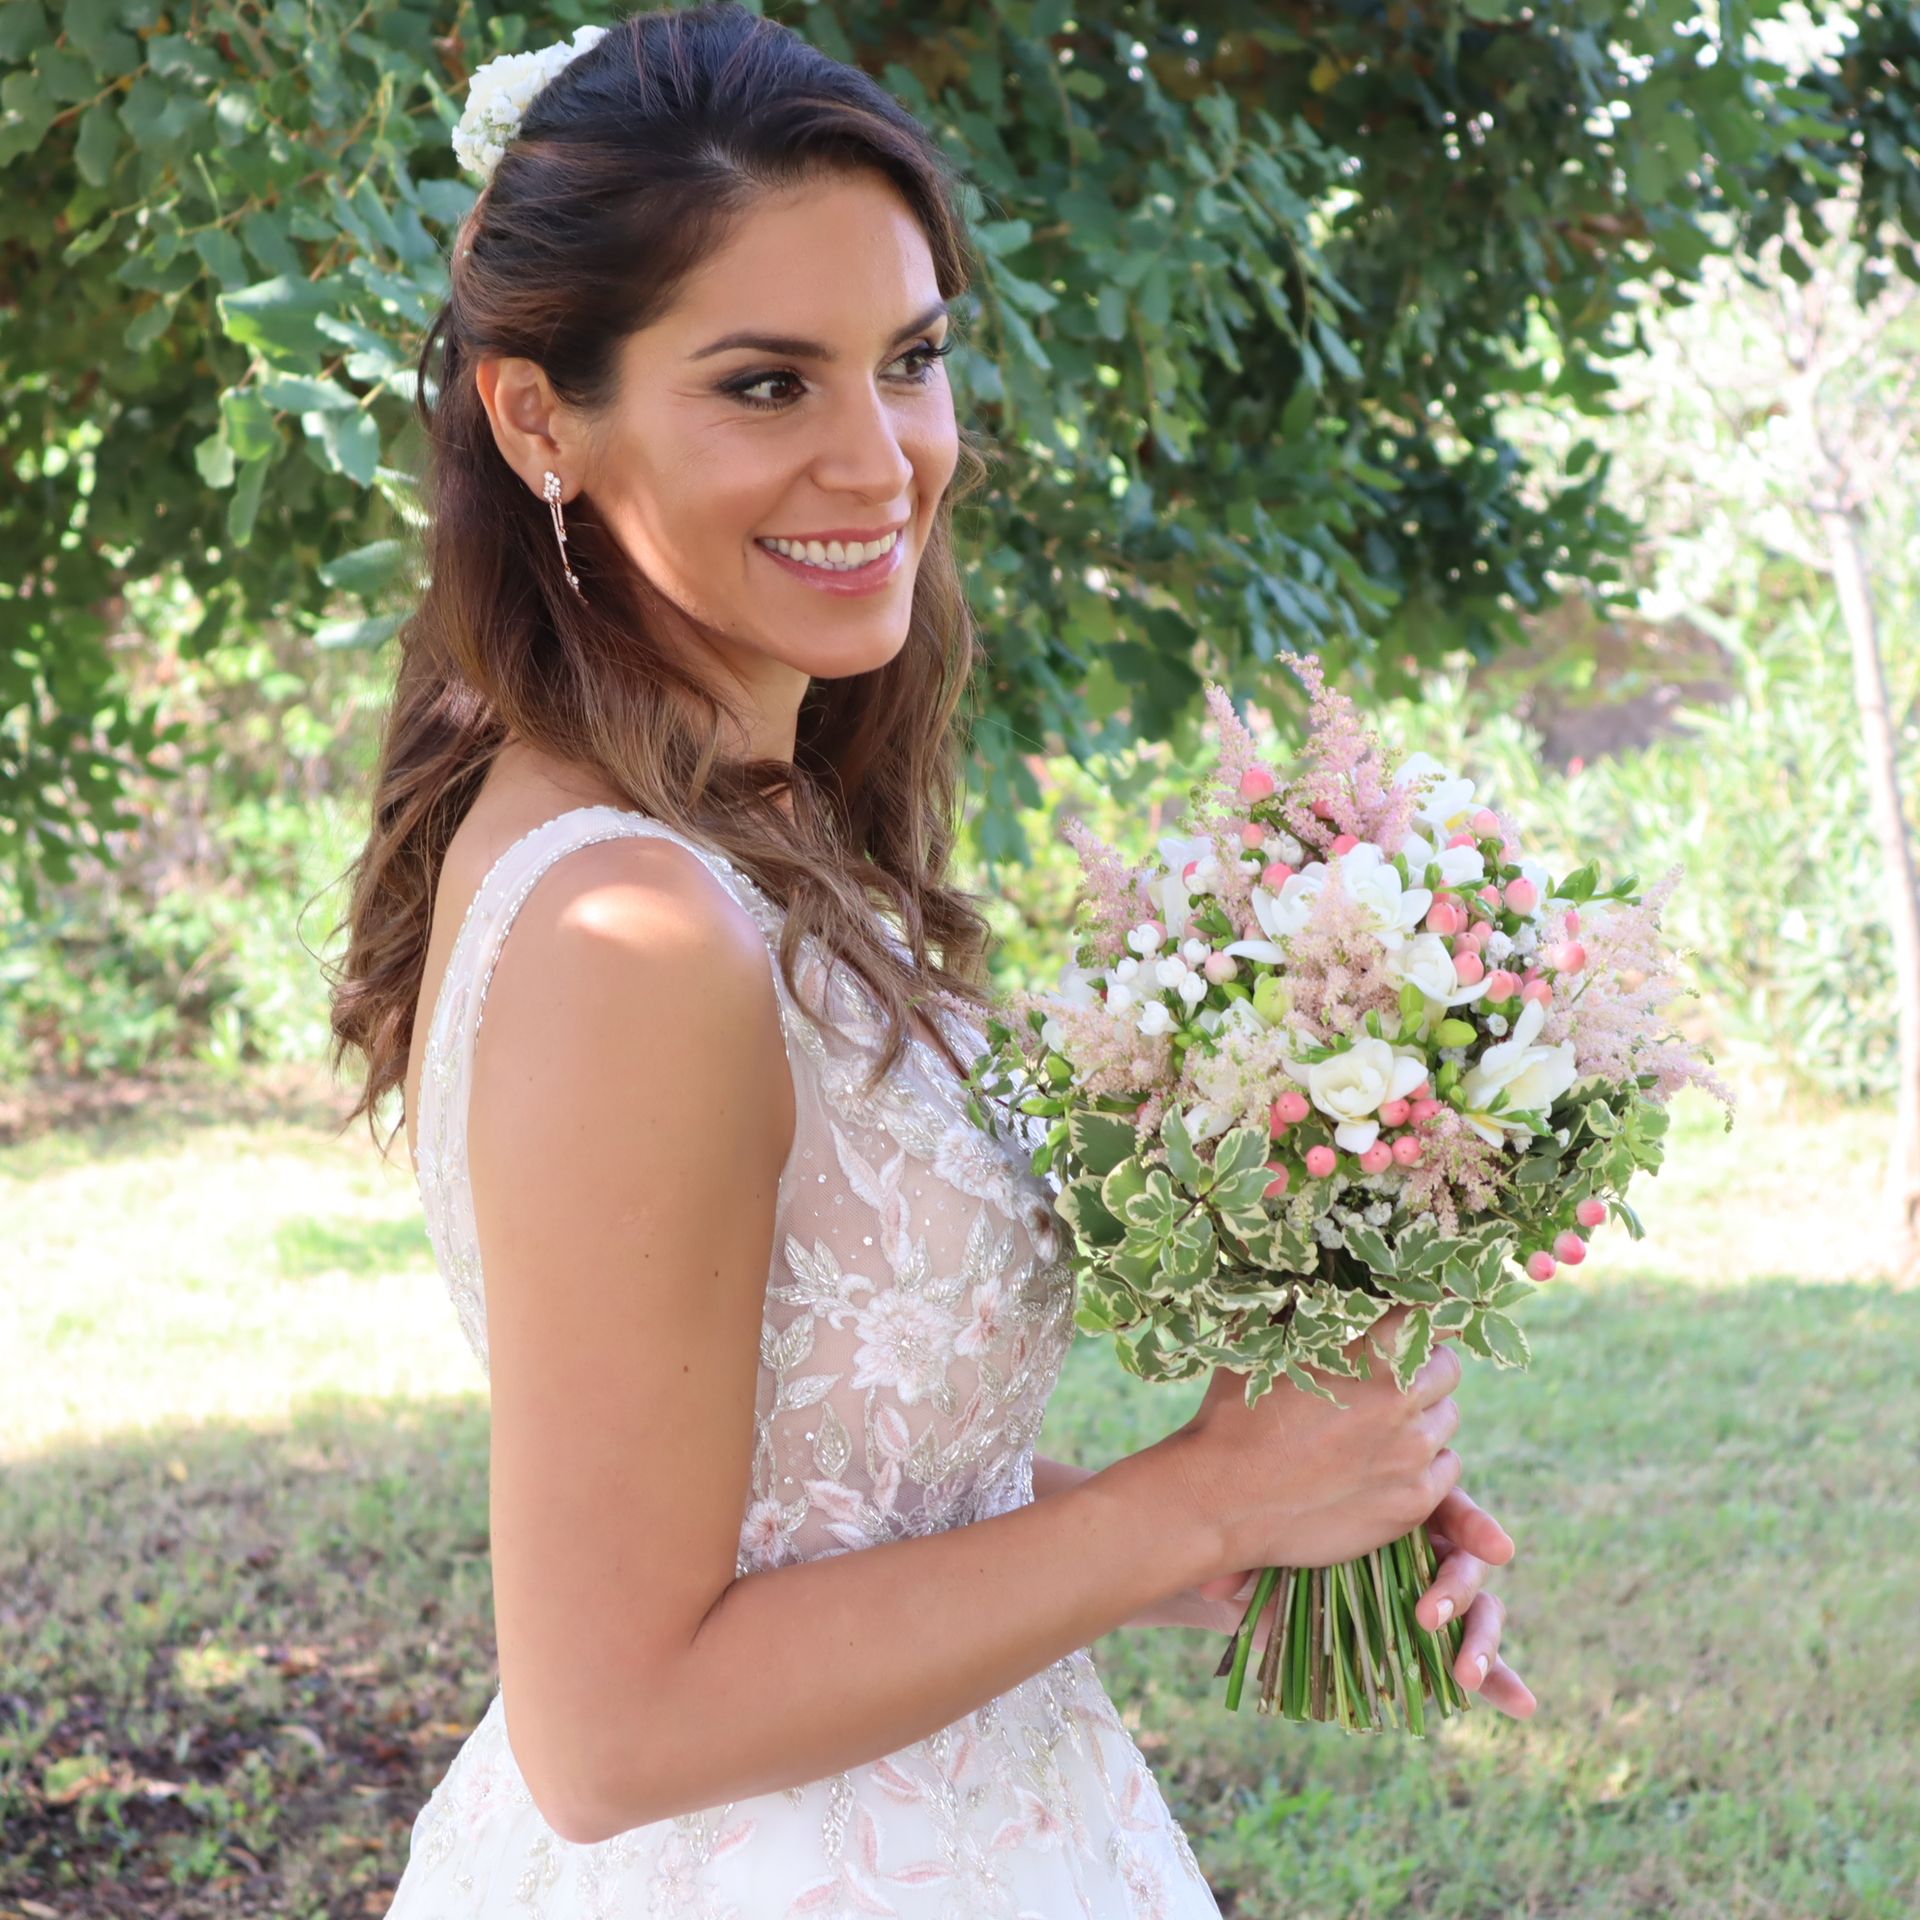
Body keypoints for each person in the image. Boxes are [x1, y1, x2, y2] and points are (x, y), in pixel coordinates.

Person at [325, 5, 1533, 1912]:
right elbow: (614, 1728)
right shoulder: (631, 925)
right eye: (765, 385)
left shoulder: (757, 833)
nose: (882, 459)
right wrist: (1189, 1500)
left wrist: (1237, 1516)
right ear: (539, 415)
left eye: (912, 361)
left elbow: (799, 1503)